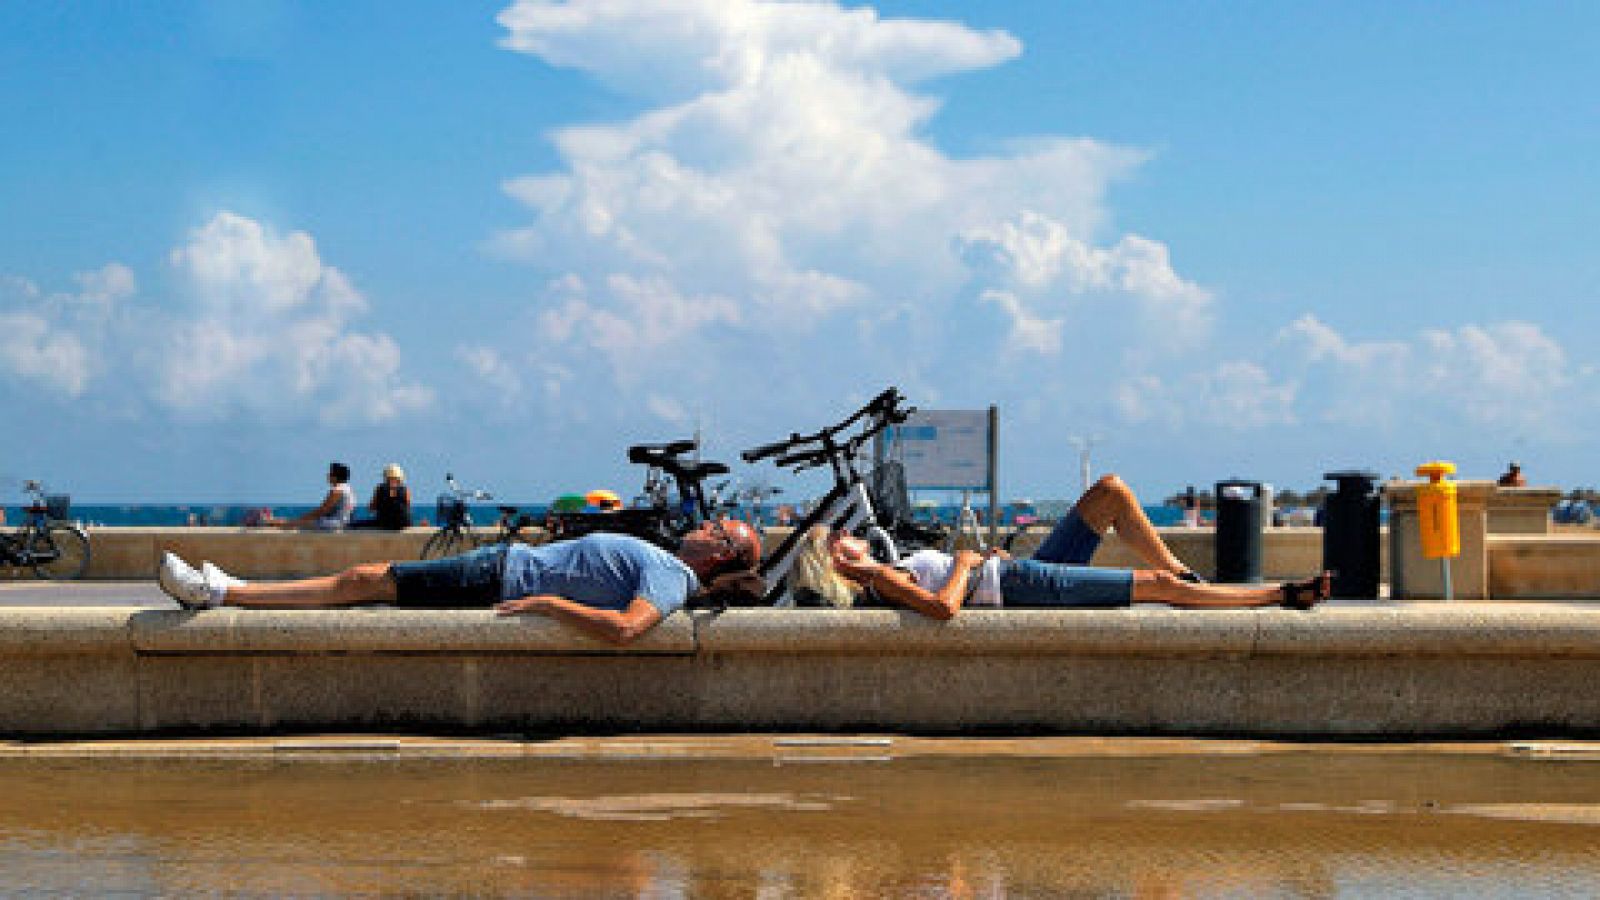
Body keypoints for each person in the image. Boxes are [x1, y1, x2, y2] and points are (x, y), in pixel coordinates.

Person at [791, 474, 1330, 616]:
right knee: (1156, 589)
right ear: (835, 562)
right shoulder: (876, 577)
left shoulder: (886, 569)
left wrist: (983, 563)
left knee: (1110, 493)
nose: (849, 537)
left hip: (1013, 575)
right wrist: (963, 563)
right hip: (1018, 587)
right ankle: (1280, 595)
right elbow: (943, 608)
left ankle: (1192, 581)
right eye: (837, 540)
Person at [157, 520, 766, 646]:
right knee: (366, 579)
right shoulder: (667, 565)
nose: (707, 523)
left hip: (499, 578)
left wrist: (551, 603)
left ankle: (220, 593)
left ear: (720, 554)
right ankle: (227, 589)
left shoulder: (669, 575)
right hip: (499, 568)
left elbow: (630, 628)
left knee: (365, 579)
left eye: (720, 528)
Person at [264, 462, 357, 531]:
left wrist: (300, 519)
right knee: (293, 521)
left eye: (330, 473)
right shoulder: (348, 489)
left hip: (333, 524)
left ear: (336, 477)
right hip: (342, 523)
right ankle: (270, 520)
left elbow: (322, 511)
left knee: (290, 523)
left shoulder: (337, 490)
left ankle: (266, 521)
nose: (327, 475)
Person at [350, 463, 412, 531]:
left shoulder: (380, 488)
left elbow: (371, 508)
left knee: (354, 524)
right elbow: (407, 506)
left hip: (385, 523)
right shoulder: (406, 490)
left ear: (386, 477)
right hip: (404, 523)